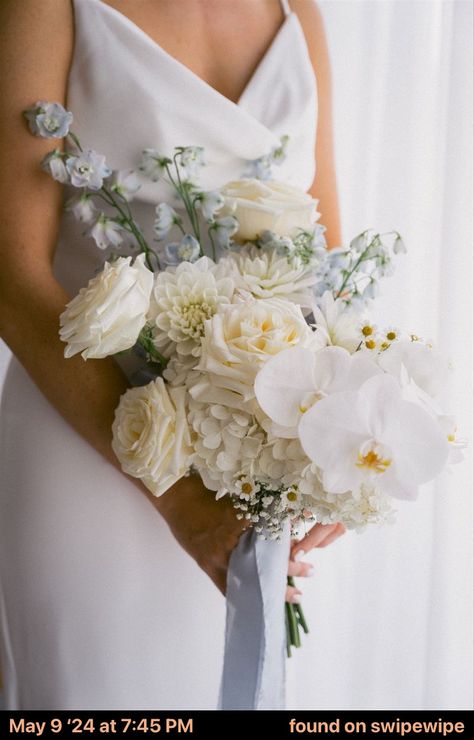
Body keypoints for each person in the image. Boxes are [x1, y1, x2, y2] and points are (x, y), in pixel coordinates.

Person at [0, 0, 344, 709]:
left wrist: (343, 439)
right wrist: (180, 500)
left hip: (247, 462)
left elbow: (325, 261)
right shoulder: (47, 7)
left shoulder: (298, 12)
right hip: (84, 443)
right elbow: (11, 275)